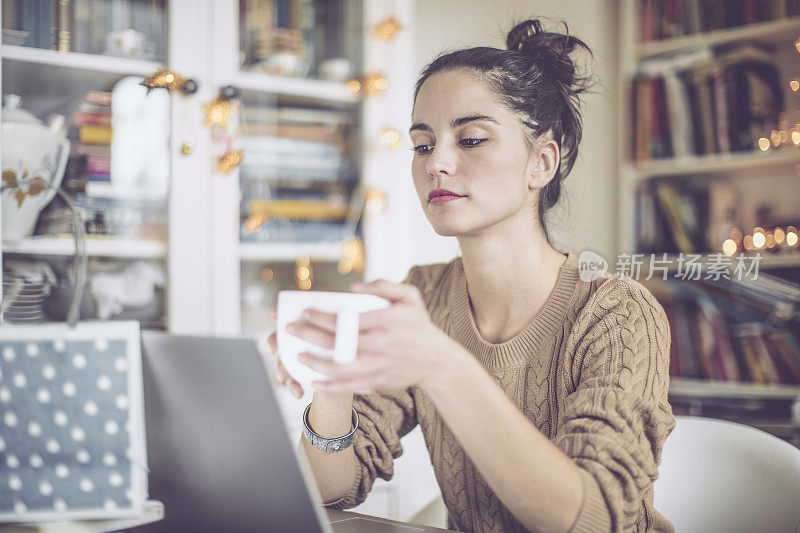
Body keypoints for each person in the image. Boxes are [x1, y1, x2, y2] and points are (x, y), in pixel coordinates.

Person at [267, 18, 675, 533]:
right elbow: (331, 490)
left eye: (472, 139)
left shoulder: (617, 314)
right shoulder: (426, 296)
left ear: (542, 163)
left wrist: (443, 364)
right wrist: (332, 381)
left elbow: (592, 519)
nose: (437, 162)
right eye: (422, 144)